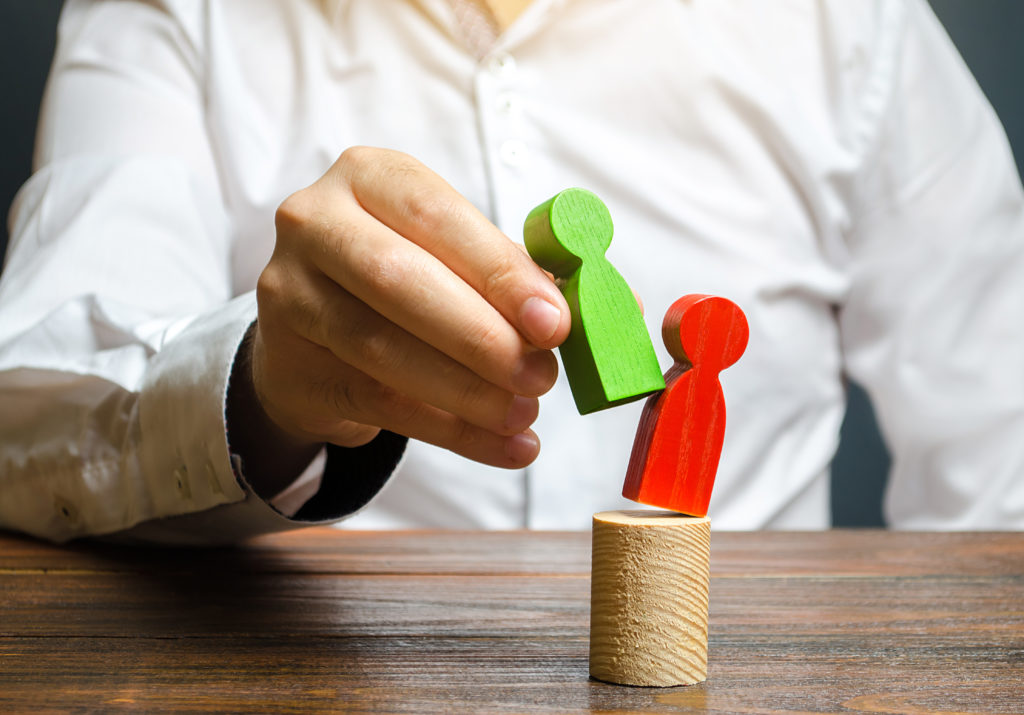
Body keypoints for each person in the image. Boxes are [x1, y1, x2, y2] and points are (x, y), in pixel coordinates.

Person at [1, 0, 1022, 544]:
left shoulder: (850, 23)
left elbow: (1001, 471)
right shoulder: (175, 15)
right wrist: (258, 394)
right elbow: (28, 431)